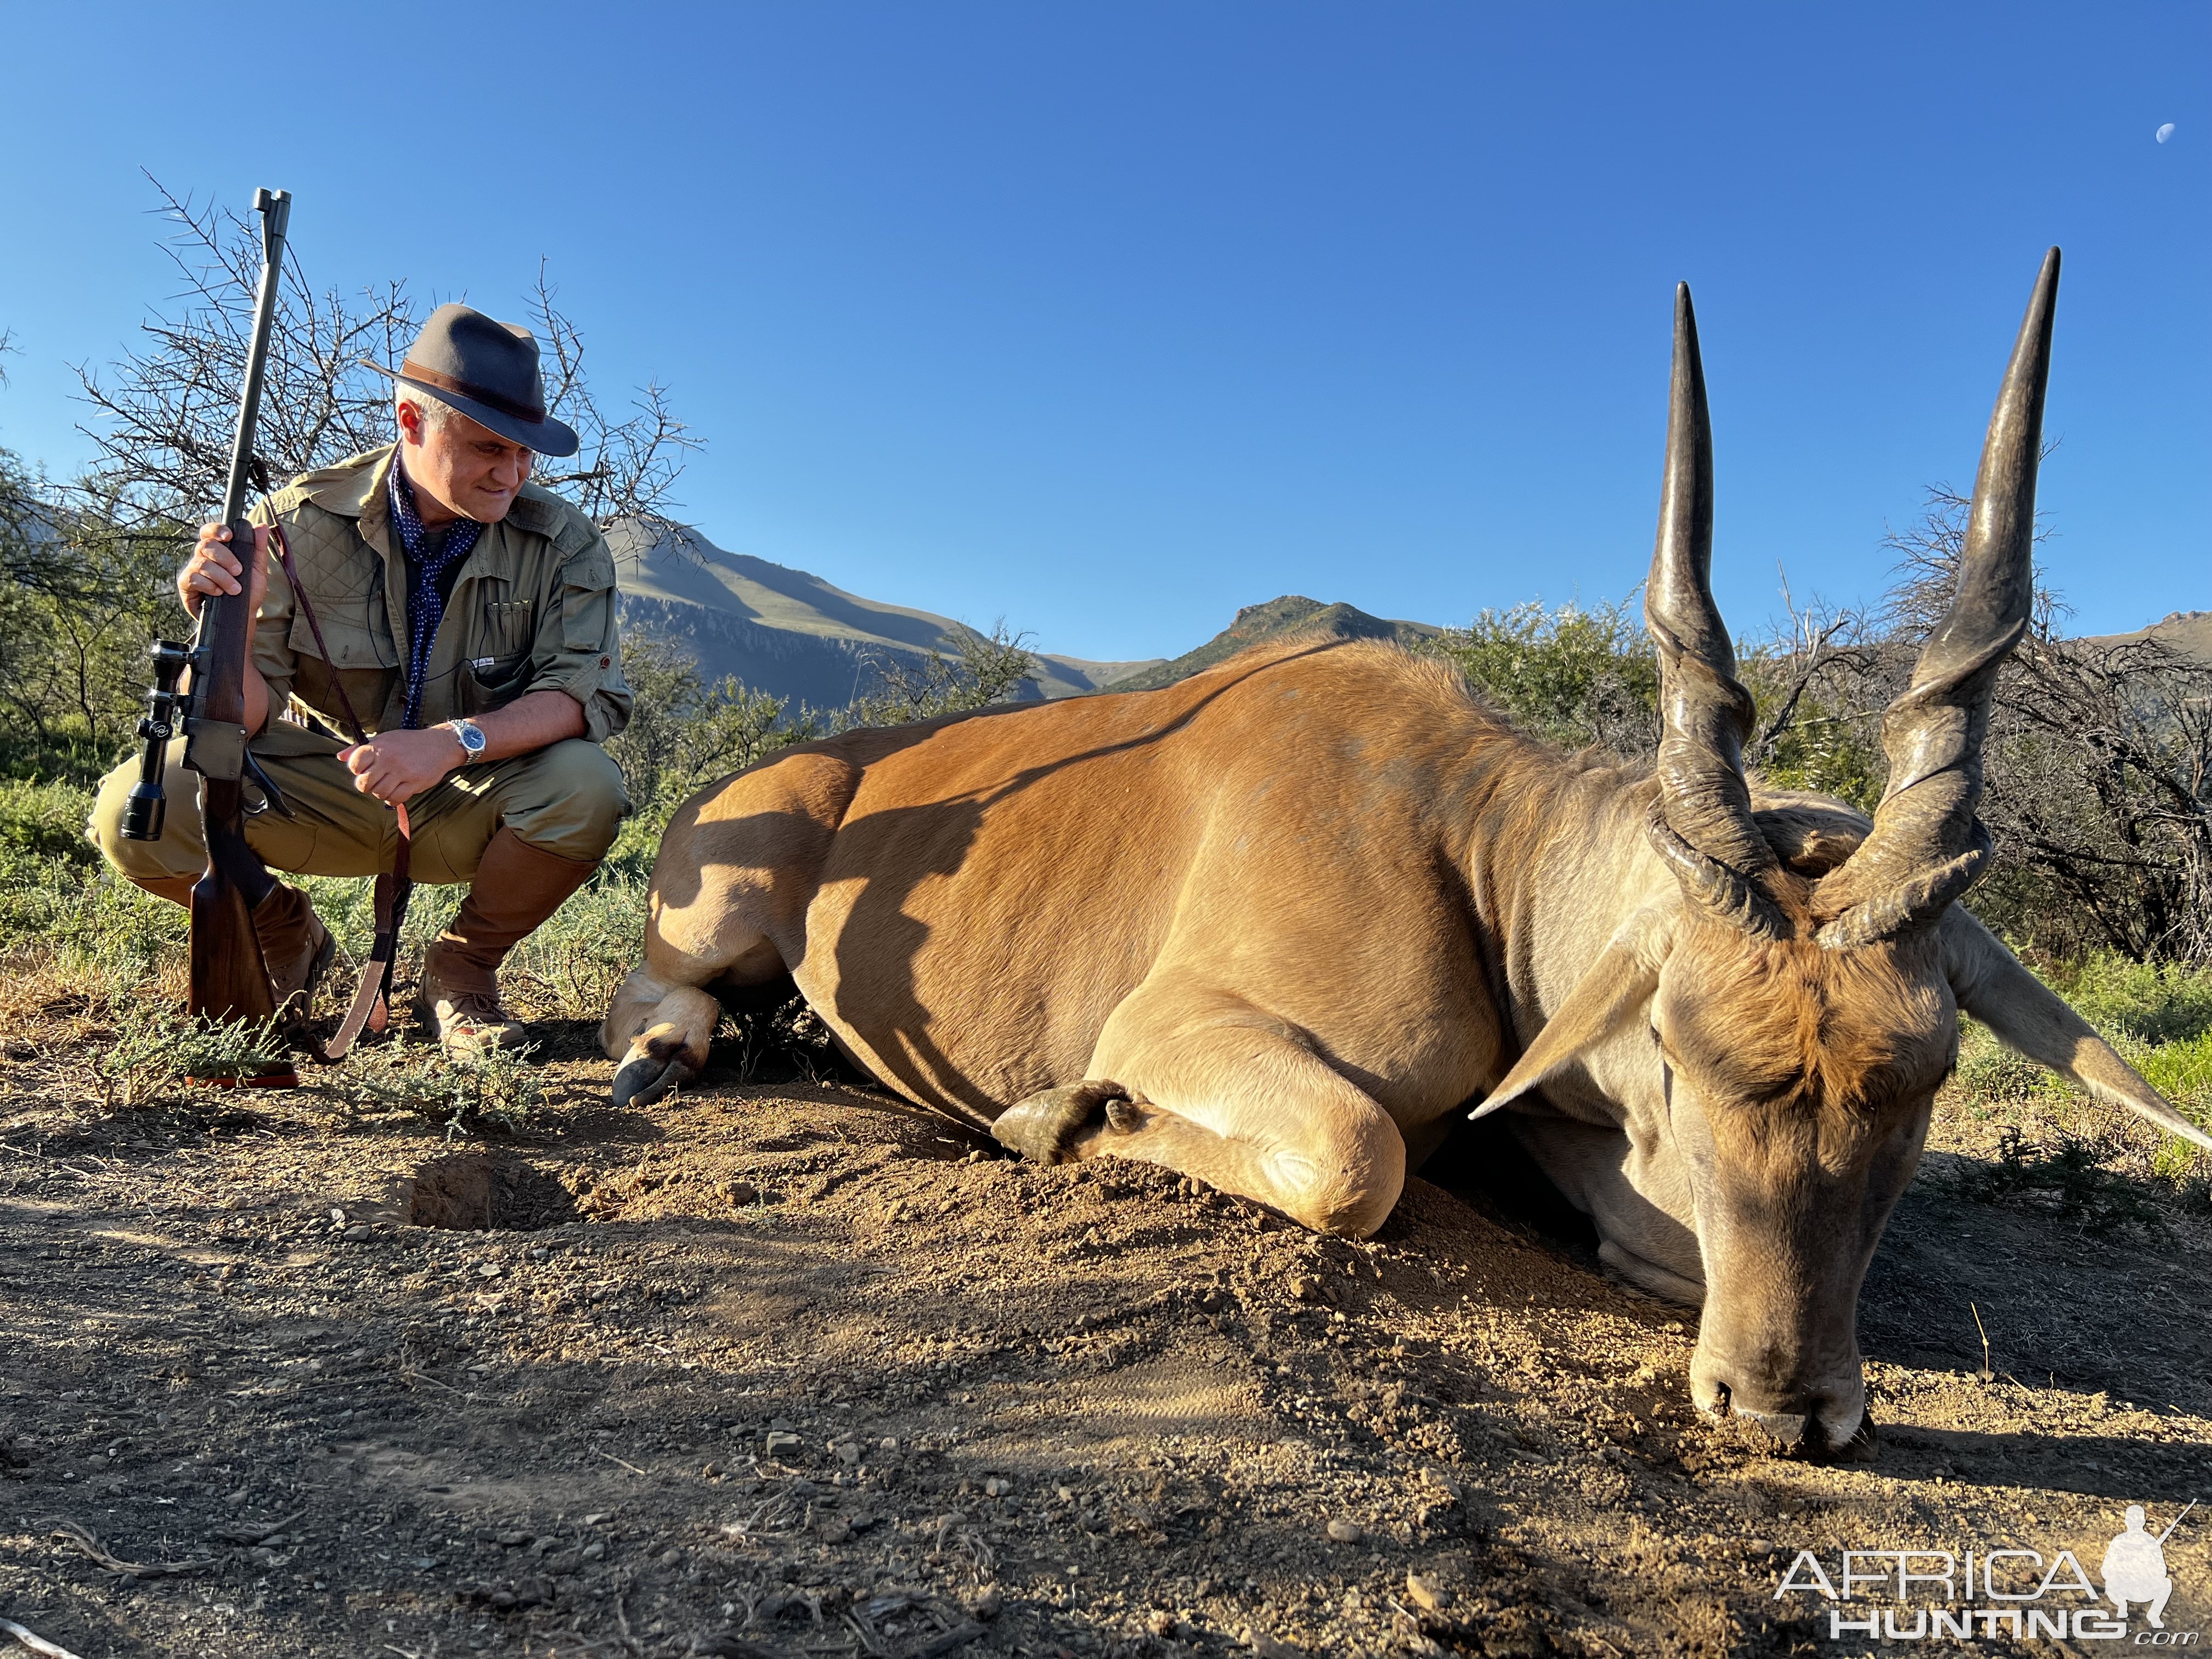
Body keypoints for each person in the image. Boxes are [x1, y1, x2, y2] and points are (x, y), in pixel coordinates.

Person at [90, 303, 633, 1053]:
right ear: (411, 421)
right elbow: (233, 723)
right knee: (141, 806)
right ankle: (284, 932)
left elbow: (582, 696)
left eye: (524, 455)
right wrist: (226, 628)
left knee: (588, 785)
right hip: (323, 790)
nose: (510, 474)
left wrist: (450, 743)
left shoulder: (564, 542)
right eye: (486, 449)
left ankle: (463, 972)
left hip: (470, 791)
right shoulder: (295, 520)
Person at [2101, 1505, 2174, 1627]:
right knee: (2111, 1581)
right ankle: (2122, 1605)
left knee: (2167, 1583)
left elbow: (2162, 1572)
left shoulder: (2151, 1542)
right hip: (2123, 1588)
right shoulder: (2119, 1541)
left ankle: (2154, 1615)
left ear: (2143, 1522)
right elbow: (2106, 1570)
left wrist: (2145, 1566)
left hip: (2144, 1589)